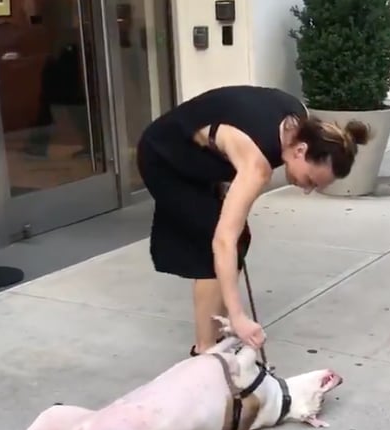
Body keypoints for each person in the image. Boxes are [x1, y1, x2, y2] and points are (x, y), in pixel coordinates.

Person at [136, 85, 370, 356]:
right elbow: (223, 241)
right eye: (310, 181)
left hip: (199, 157)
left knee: (239, 240)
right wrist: (239, 316)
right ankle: (205, 353)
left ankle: (218, 333)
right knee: (210, 247)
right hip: (164, 159)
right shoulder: (256, 165)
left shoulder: (298, 120)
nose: (306, 190)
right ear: (300, 150)